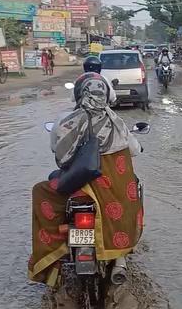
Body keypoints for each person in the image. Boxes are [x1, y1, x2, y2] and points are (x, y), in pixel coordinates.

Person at [29, 73, 142, 287]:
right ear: (106, 95)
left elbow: (56, 149)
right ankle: (120, 253)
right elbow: (134, 149)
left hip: (79, 187)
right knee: (132, 196)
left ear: (80, 93)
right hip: (113, 193)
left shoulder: (68, 120)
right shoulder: (117, 123)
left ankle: (53, 256)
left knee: (40, 191)